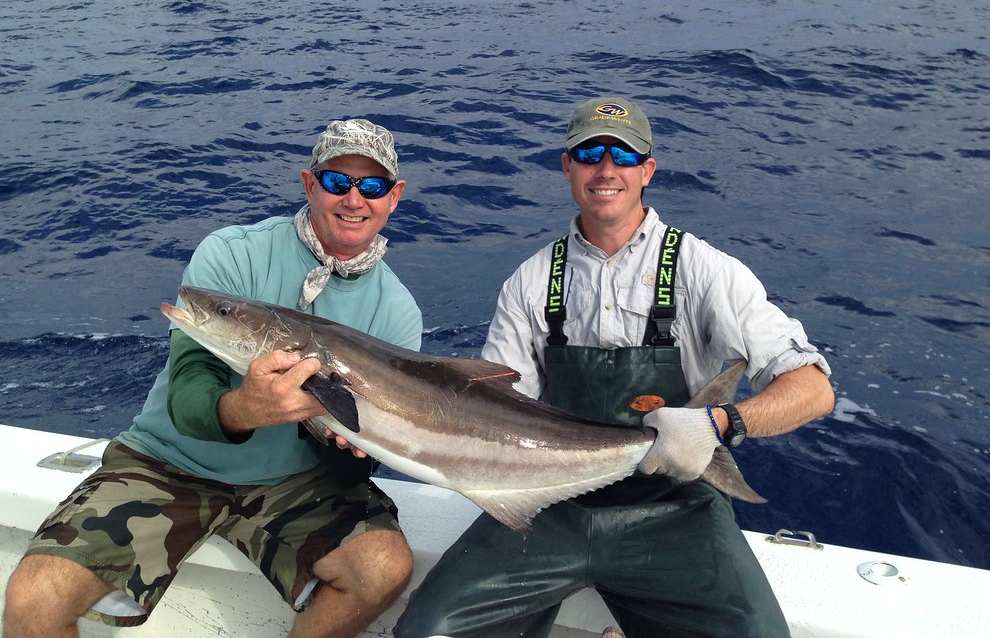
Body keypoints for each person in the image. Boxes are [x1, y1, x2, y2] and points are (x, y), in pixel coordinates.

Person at [394, 96, 835, 638]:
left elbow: (812, 388)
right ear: (567, 167)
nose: (606, 169)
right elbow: (496, 412)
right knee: (428, 629)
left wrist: (719, 424)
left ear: (647, 170)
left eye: (623, 156)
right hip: (551, 504)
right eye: (589, 153)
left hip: (674, 507)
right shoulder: (530, 282)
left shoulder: (705, 269)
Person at [3, 119, 422, 638]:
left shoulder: (398, 313)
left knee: (381, 568)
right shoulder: (232, 254)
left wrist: (352, 447)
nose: (354, 199)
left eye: (372, 186)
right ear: (310, 185)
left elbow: (352, 467)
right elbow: (189, 387)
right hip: (170, 464)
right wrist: (246, 409)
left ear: (394, 197)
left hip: (293, 482)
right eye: (338, 182)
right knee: (33, 599)